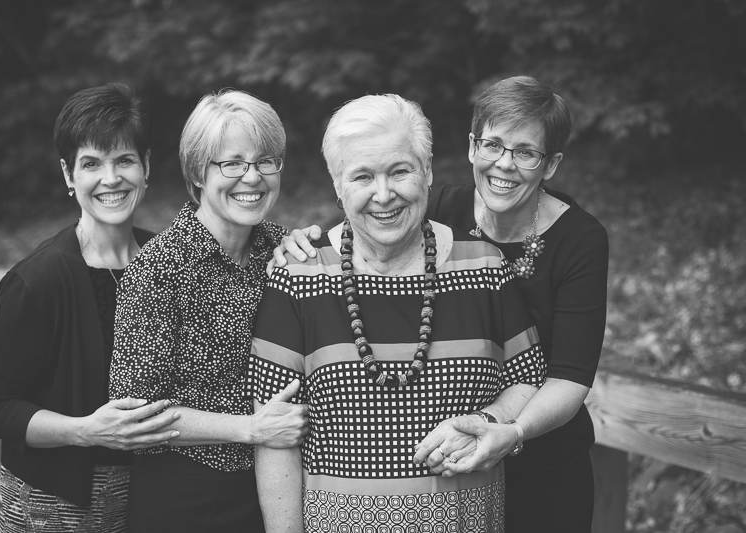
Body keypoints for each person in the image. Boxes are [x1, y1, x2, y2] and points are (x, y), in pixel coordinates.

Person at [249, 93, 546, 532]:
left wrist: (491, 419)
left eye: (400, 171)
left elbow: (528, 377)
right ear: (337, 186)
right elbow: (274, 436)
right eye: (362, 176)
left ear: (426, 172)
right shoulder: (299, 277)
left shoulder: (484, 267)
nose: (383, 194)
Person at [0, 82, 180, 532]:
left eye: (124, 159)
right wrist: (86, 430)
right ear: (69, 175)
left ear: (146, 167)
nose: (111, 179)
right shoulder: (38, 280)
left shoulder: (166, 262)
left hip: (151, 498)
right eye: (92, 164)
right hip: (55, 504)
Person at [108, 89, 310, 533]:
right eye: (232, 163)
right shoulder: (160, 266)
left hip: (274, 487)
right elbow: (134, 413)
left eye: (264, 161)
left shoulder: (279, 247)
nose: (252, 177)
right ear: (199, 172)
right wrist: (250, 429)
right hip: (186, 497)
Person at [414, 76, 610, 532]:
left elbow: (570, 378)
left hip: (543, 461)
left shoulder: (580, 239)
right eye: (493, 145)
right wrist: (303, 242)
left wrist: (514, 433)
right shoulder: (437, 211)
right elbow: (359, 237)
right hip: (450, 463)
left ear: (551, 164)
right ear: (471, 146)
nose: (504, 164)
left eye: (525, 152)